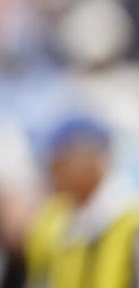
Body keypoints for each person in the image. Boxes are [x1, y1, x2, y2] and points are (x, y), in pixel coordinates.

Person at [24, 116, 139, 288]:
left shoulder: (130, 222)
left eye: (59, 164)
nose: (53, 175)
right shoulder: (59, 218)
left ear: (88, 162)